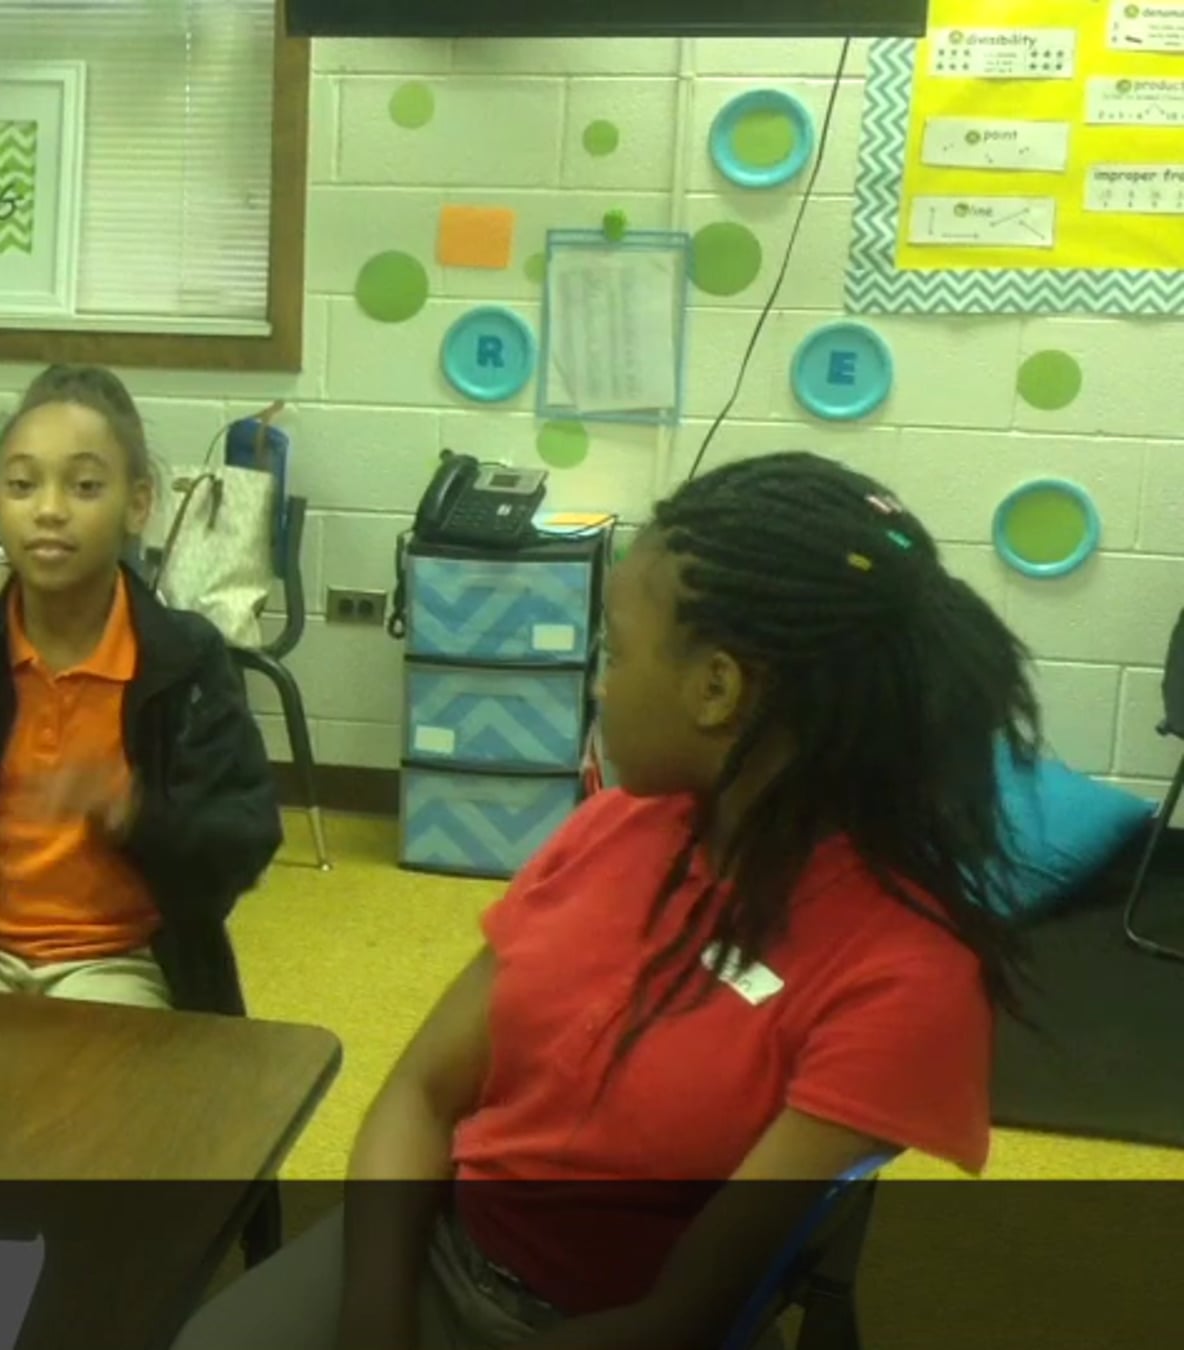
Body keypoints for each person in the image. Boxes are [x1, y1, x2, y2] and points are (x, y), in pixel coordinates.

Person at [174, 452, 1037, 1349]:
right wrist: (373, 1319)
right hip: (434, 1250)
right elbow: (422, 1096)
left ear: (717, 689)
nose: (597, 682)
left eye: (615, 652)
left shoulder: (907, 975)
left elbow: (683, 1314)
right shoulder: (613, 829)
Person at [0, 365, 280, 1013]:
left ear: (138, 504)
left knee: (94, 1069)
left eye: (85, 486)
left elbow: (243, 843)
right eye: (22, 484)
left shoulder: (184, 659)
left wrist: (139, 816)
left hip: (120, 959)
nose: (48, 510)